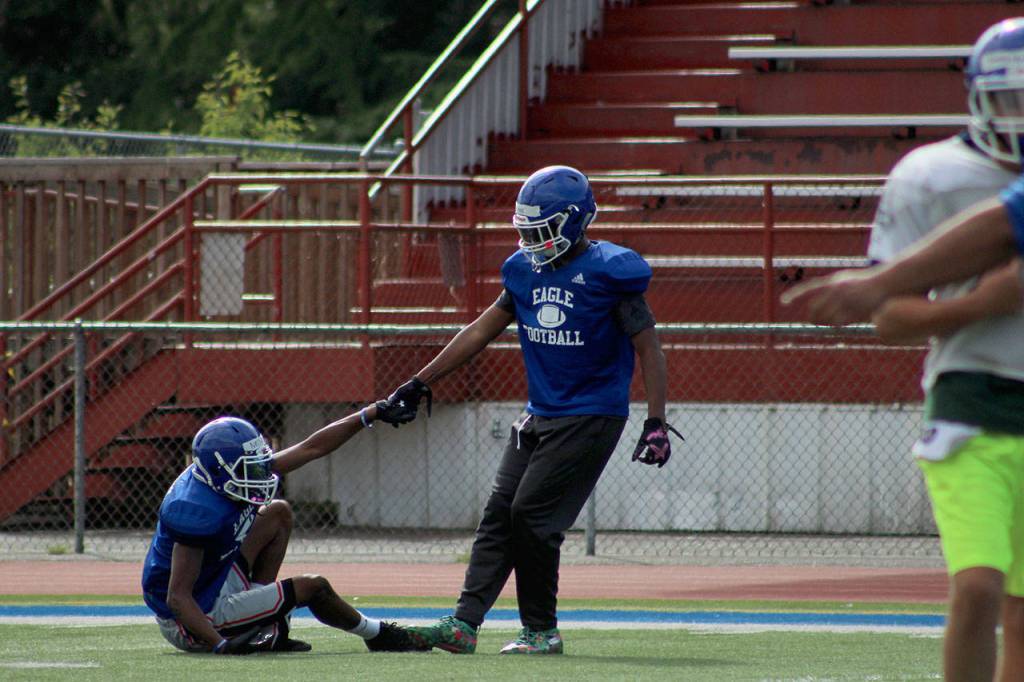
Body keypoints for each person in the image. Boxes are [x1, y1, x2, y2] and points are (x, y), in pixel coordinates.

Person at [784, 18, 1024, 682]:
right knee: (978, 587)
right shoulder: (931, 174)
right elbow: (888, 319)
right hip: (971, 396)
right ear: (980, 96)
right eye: (1013, 97)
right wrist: (983, 303)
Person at [371, 165, 681, 655]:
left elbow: (650, 349)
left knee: (532, 517)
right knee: (499, 515)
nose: (534, 242)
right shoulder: (522, 271)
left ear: (576, 222)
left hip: (591, 414)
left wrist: (656, 420)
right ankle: (464, 624)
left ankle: (541, 630)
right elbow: (478, 331)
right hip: (541, 412)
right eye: (527, 231)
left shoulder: (609, 272)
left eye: (543, 231)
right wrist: (418, 382)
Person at [140, 405, 429, 655]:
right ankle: (377, 635)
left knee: (277, 513)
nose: (260, 474)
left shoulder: (217, 474)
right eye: (249, 469)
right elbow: (177, 598)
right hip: (192, 618)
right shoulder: (195, 510)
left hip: (213, 580)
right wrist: (220, 645)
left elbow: (311, 448)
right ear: (220, 472)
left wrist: (369, 413)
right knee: (313, 587)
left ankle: (260, 615)